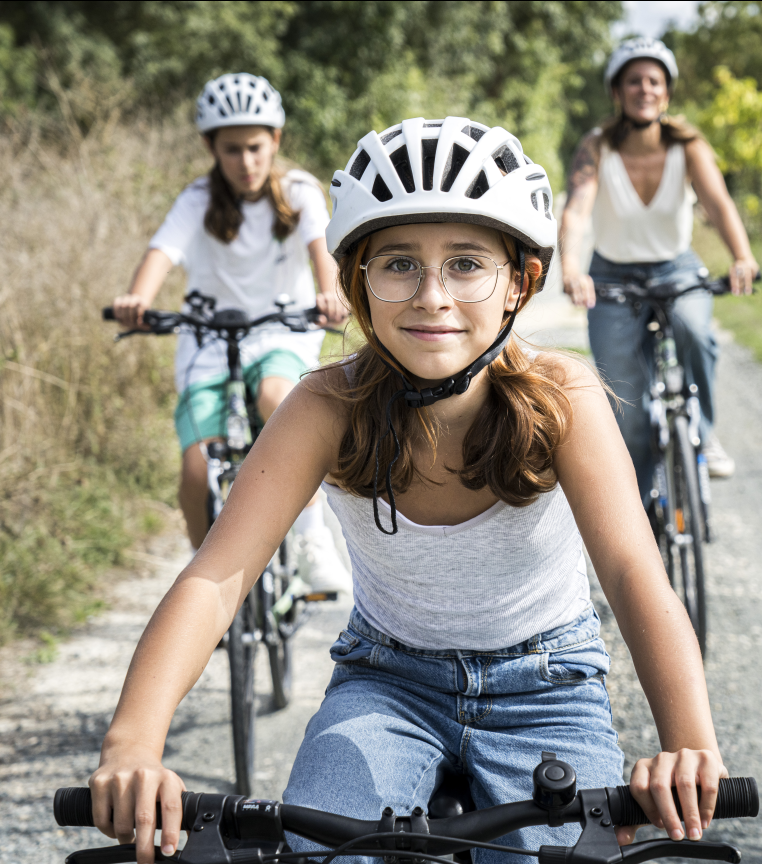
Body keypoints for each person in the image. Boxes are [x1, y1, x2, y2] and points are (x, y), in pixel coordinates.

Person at [89, 116, 728, 864]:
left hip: (546, 685)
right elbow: (215, 576)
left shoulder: (563, 397)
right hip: (386, 681)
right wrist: (132, 740)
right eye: (398, 264)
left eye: (465, 263)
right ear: (356, 279)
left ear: (519, 280)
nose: (431, 295)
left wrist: (687, 744)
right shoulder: (326, 406)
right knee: (324, 851)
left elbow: (631, 572)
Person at [110, 73, 350, 592]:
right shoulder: (198, 199)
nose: (247, 162)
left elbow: (320, 250)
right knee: (196, 472)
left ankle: (311, 540)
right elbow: (161, 254)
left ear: (276, 141)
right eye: (232, 149)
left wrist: (329, 292)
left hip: (282, 331)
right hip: (208, 339)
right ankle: (209, 584)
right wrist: (138, 300)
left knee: (277, 398)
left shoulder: (299, 191)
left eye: (256, 147)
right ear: (211, 148)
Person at [560, 37, 759, 496]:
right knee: (625, 404)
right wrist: (571, 267)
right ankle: (643, 510)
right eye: (634, 81)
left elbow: (719, 204)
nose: (644, 89)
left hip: (676, 268)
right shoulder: (597, 147)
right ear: (617, 91)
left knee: (695, 329)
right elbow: (576, 210)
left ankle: (703, 434)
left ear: (666, 92)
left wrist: (742, 256)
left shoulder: (687, 145)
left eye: (654, 81)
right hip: (611, 273)